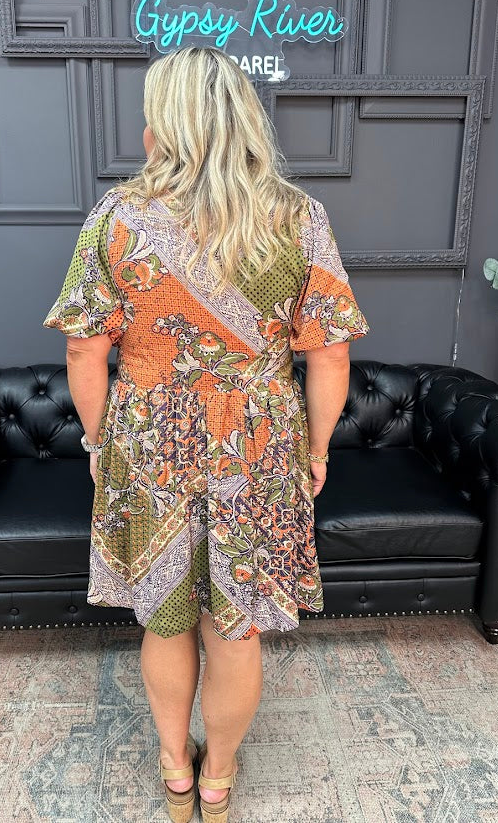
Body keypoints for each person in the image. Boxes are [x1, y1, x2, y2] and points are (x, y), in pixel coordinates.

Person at [42, 45, 370, 823]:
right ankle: (219, 779)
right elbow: (329, 351)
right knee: (238, 623)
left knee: (165, 612)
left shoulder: (118, 219)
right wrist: (317, 449)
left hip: (151, 444)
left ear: (167, 122)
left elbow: (85, 347)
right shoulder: (296, 218)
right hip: (256, 448)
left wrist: (98, 443)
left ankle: (174, 772)